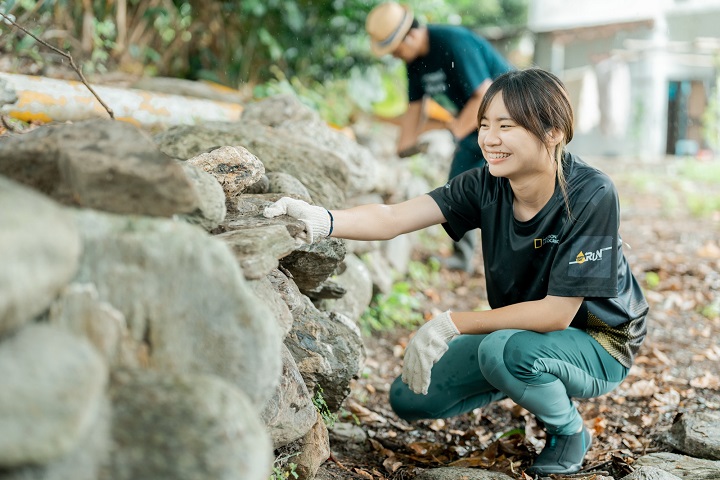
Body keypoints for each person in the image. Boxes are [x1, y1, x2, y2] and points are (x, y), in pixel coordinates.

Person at [263, 68, 649, 475]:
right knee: (411, 398)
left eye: (507, 126)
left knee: (502, 352)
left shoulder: (591, 192)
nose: (488, 138)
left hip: (601, 341)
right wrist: (322, 220)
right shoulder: (485, 184)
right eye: (484, 125)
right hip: (527, 337)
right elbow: (393, 217)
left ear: (553, 132)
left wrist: (451, 324)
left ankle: (569, 430)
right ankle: (525, 376)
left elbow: (557, 314)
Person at [365, 1, 515, 273]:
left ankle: (515, 255)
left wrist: (450, 135)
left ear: (411, 34)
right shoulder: (415, 62)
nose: (396, 56)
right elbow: (414, 107)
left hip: (511, 112)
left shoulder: (452, 42)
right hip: (480, 120)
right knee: (460, 183)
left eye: (396, 49)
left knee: (504, 186)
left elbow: (484, 94)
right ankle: (465, 257)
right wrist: (402, 149)